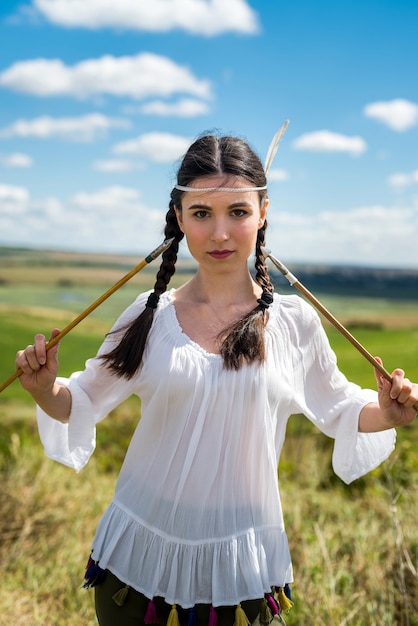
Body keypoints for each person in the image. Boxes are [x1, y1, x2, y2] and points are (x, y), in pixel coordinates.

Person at [15, 132, 418, 626]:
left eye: (238, 212)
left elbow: (340, 409)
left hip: (240, 572)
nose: (220, 233)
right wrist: (42, 387)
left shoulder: (294, 323)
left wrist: (390, 413)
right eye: (202, 213)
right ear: (180, 218)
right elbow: (79, 400)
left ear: (263, 212)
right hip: (136, 561)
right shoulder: (148, 316)